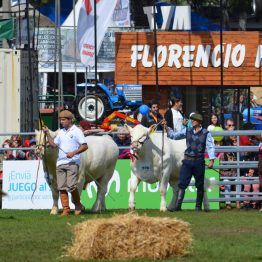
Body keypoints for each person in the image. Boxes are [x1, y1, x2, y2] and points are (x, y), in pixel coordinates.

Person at [165, 113, 215, 211]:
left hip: (199, 162)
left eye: (194, 120)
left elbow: (210, 147)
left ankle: (198, 207)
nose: (191, 121)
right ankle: (178, 206)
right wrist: (166, 127)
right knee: (182, 184)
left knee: (199, 185)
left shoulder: (206, 133)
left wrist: (211, 160)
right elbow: (173, 136)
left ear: (199, 122)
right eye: (191, 120)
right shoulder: (187, 130)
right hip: (187, 161)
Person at [43, 110, 88, 216]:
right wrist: (47, 134)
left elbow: (85, 146)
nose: (61, 122)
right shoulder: (61, 132)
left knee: (71, 186)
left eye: (63, 120)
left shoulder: (76, 131)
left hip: (72, 162)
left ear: (69, 120)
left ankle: (77, 205)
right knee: (61, 187)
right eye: (60, 120)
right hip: (60, 163)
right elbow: (54, 145)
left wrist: (74, 153)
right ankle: (66, 209)